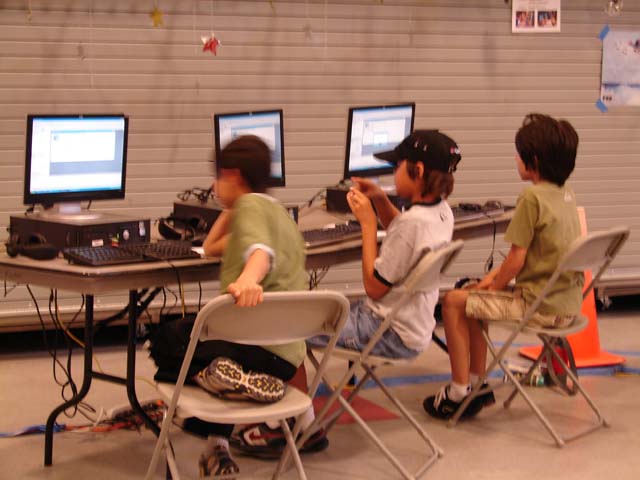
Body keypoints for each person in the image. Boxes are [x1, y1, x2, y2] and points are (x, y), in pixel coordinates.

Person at [423, 113, 584, 420]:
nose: (515, 158)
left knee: (454, 301)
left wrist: (491, 288)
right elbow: (525, 259)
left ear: (533, 160)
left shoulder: (531, 198)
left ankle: (458, 392)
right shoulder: (566, 194)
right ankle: (477, 384)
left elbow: (515, 261)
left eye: (519, 154)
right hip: (567, 306)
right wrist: (486, 284)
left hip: (538, 308)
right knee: (472, 294)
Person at [183, 135, 308, 477]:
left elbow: (260, 253)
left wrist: (249, 279)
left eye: (218, 177)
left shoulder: (251, 208)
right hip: (286, 358)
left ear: (234, 175)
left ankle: (216, 395)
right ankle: (218, 436)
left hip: (250, 348)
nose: (213, 186)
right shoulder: (278, 215)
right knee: (216, 354)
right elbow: (211, 247)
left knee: (169, 341)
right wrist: (231, 207)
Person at [307, 129, 460, 361]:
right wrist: (379, 198)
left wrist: (368, 224)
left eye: (397, 166)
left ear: (418, 171)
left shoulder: (412, 224)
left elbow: (373, 288)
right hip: (412, 327)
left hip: (385, 332)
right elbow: (404, 235)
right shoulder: (442, 212)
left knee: (295, 325)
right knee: (322, 311)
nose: (394, 173)